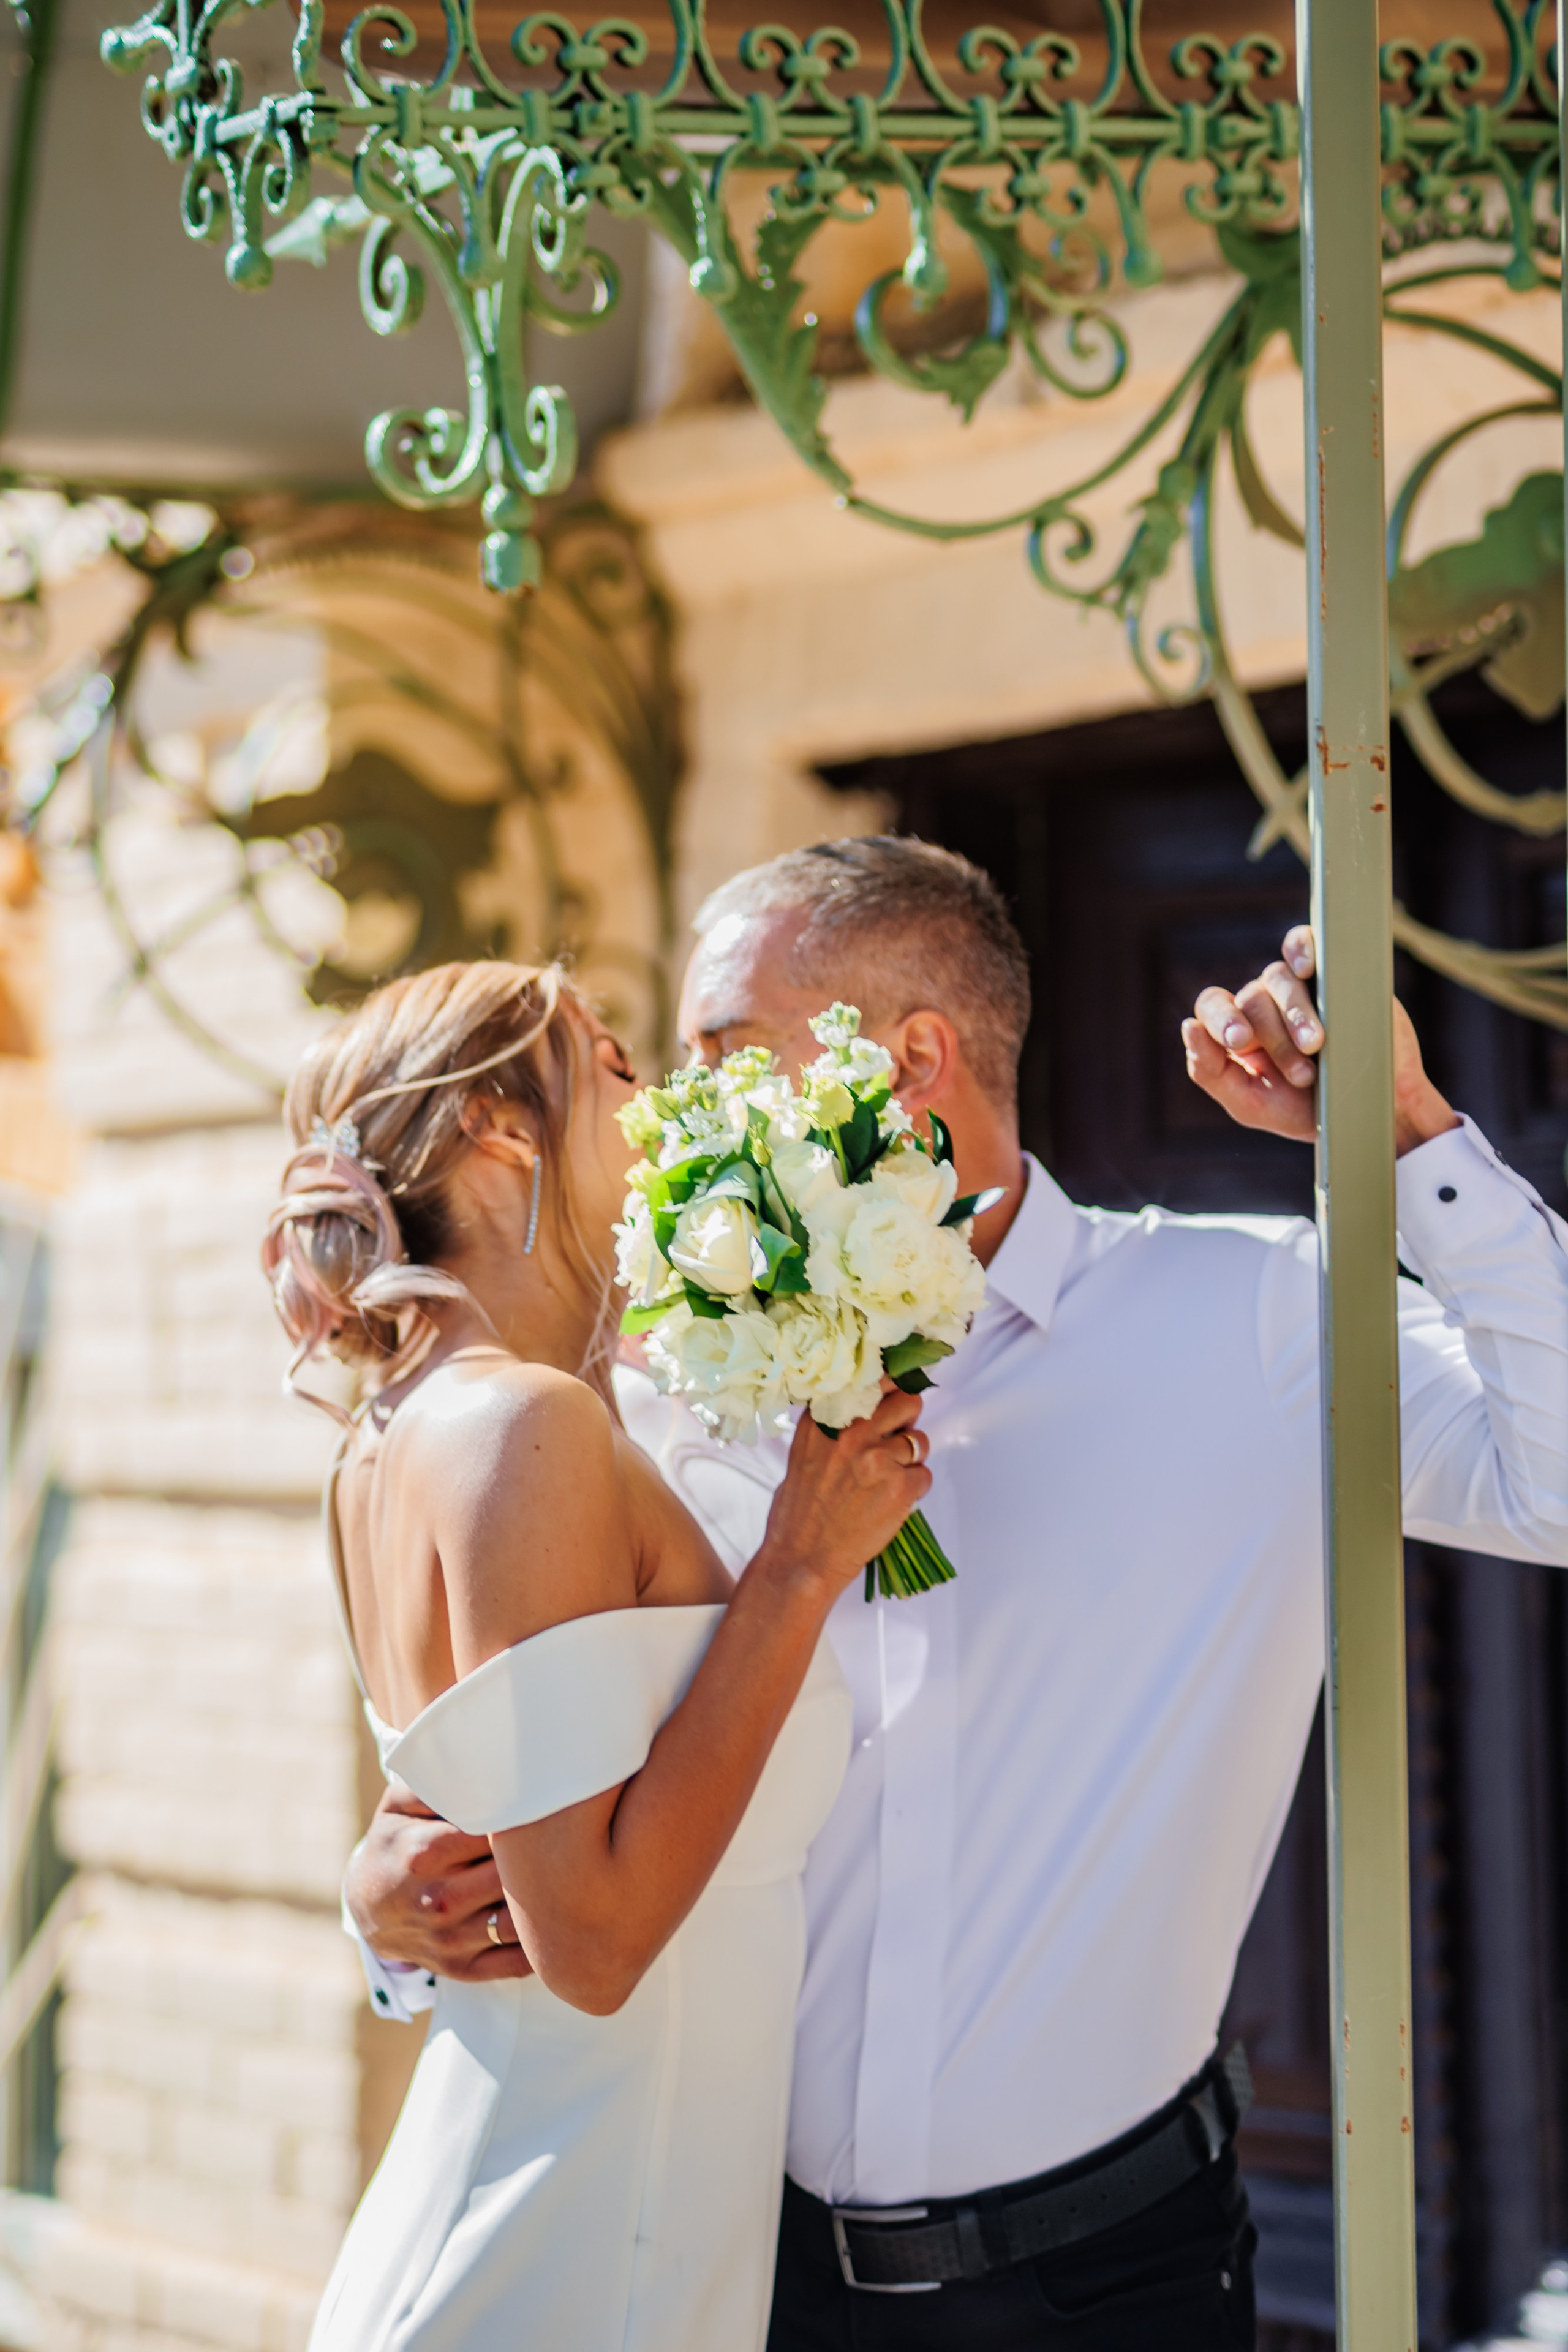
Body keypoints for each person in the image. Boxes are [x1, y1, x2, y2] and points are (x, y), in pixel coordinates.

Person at [345, 839, 1568, 2351]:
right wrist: (388, 1929)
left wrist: (1405, 1142)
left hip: (1114, 2282)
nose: (678, 1107)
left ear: (910, 1059)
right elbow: (546, 1814)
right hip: (736, 2273)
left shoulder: (1249, 1320)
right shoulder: (650, 1394)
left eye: (725, 1051)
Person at [261, 957, 935, 2352]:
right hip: (563, 2252)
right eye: (620, 1066)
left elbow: (478, 1828)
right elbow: (593, 1942)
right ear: (503, 1132)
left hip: (601, 2218)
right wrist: (798, 1570)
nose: (663, 1099)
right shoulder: (518, 1426)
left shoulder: (397, 1439)